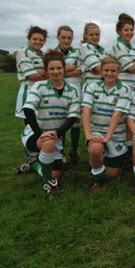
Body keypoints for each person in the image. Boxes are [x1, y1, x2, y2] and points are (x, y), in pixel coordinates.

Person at [19, 50, 80, 194]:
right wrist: (40, 134)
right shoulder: (39, 86)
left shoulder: (73, 91)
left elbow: (72, 117)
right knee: (48, 144)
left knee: (56, 173)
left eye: (59, 68)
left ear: (64, 69)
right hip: (35, 133)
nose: (56, 71)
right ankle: (49, 185)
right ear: (46, 71)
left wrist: (58, 134)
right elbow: (28, 110)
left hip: (55, 135)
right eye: (51, 69)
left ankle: (34, 165)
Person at [81, 57, 131, 190]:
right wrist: (89, 136)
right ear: (101, 71)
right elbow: (86, 111)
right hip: (96, 132)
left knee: (112, 174)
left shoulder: (124, 89)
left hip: (116, 135)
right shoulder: (92, 86)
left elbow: (117, 114)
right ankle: (97, 178)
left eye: (113, 71)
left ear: (118, 72)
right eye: (106, 70)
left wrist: (107, 138)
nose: (109, 73)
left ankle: (109, 159)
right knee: (95, 148)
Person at [55, 25, 82, 165]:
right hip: (58, 91)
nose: (66, 40)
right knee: (61, 121)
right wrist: (70, 68)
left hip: (75, 90)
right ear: (58, 37)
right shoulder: (52, 53)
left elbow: (80, 71)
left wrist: (61, 70)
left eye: (69, 38)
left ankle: (74, 150)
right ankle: (60, 153)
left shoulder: (77, 52)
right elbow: (50, 72)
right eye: (63, 37)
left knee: (75, 121)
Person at [15, 26, 47, 121]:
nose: (38, 42)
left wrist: (38, 71)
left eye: (41, 40)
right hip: (29, 89)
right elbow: (31, 76)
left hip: (43, 90)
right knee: (30, 126)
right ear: (29, 39)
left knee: (43, 123)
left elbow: (50, 71)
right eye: (35, 39)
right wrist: (46, 74)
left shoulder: (45, 55)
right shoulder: (23, 52)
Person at [112, 13, 135, 91]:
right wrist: (134, 64)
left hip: (133, 87)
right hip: (123, 87)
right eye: (126, 30)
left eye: (131, 30)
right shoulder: (118, 45)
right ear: (119, 32)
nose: (129, 32)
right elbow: (131, 68)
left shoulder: (132, 48)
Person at [79, 22, 107, 88]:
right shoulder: (85, 47)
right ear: (85, 35)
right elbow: (97, 69)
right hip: (92, 84)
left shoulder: (102, 50)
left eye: (97, 34)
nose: (95, 37)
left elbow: (110, 66)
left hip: (103, 84)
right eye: (91, 35)